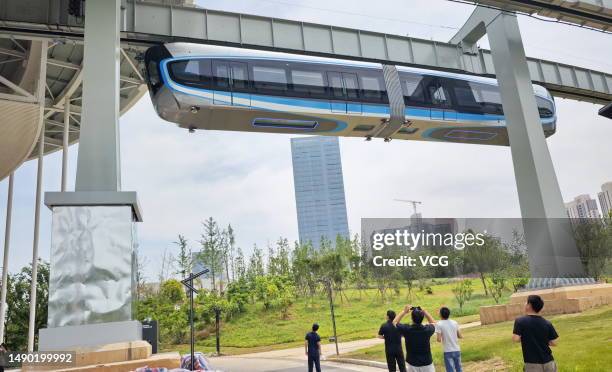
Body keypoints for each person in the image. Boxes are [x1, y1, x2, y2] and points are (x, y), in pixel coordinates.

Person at [512, 295, 559, 372]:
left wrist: (528, 337)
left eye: (526, 302)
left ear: (529, 305)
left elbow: (515, 339)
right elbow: (554, 343)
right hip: (549, 362)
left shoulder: (520, 321)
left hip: (532, 364)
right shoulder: (547, 323)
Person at [393, 304, 436, 372]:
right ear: (422, 318)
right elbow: (433, 323)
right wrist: (425, 312)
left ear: (412, 318)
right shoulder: (427, 330)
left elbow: (394, 322)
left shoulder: (407, 329)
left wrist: (404, 311)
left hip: (412, 364)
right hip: (427, 363)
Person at [435, 307, 463, 372]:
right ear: (449, 314)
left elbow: (438, 339)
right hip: (457, 349)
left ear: (440, 314)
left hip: (447, 351)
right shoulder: (454, 322)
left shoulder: (439, 324)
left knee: (450, 370)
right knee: (459, 369)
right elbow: (460, 336)